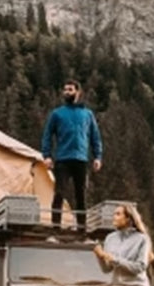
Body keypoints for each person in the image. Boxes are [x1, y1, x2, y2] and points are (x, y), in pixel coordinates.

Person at [41, 80, 103, 231]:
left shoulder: (87, 114)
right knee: (59, 193)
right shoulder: (57, 114)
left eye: (70, 90)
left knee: (81, 194)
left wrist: (98, 157)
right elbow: (47, 135)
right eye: (65, 90)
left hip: (81, 159)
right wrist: (47, 155)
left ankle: (82, 228)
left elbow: (95, 137)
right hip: (63, 159)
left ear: (78, 92)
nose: (66, 92)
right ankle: (56, 226)